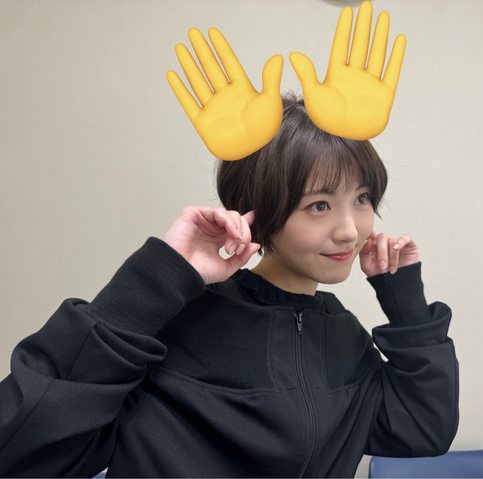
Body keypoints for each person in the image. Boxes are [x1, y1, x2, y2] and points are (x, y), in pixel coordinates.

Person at [0, 4, 458, 476]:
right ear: (260, 209)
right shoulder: (182, 325)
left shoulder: (342, 337)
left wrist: (405, 303)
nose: (350, 229)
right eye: (319, 205)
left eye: (362, 199)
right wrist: (159, 278)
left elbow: (422, 429)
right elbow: (22, 449)